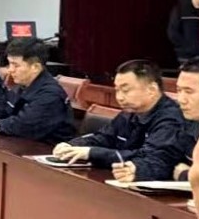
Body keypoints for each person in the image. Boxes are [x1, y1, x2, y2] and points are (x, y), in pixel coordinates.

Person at [53, 59, 188, 181]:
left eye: (126, 90)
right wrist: (73, 145)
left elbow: (149, 159)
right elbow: (104, 137)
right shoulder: (129, 113)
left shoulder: (171, 119)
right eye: (117, 90)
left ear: (151, 90)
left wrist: (91, 153)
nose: (119, 97)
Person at [141, 55, 199, 183]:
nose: (181, 100)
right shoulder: (187, 117)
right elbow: (166, 155)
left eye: (189, 92)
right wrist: (138, 169)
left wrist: (185, 175)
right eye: (179, 90)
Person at [0, 37, 78, 142]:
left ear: (35, 67)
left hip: (48, 148)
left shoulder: (50, 95)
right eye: (9, 63)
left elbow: (22, 126)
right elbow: (2, 108)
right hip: (21, 144)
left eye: (16, 65)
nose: (10, 70)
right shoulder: (23, 85)